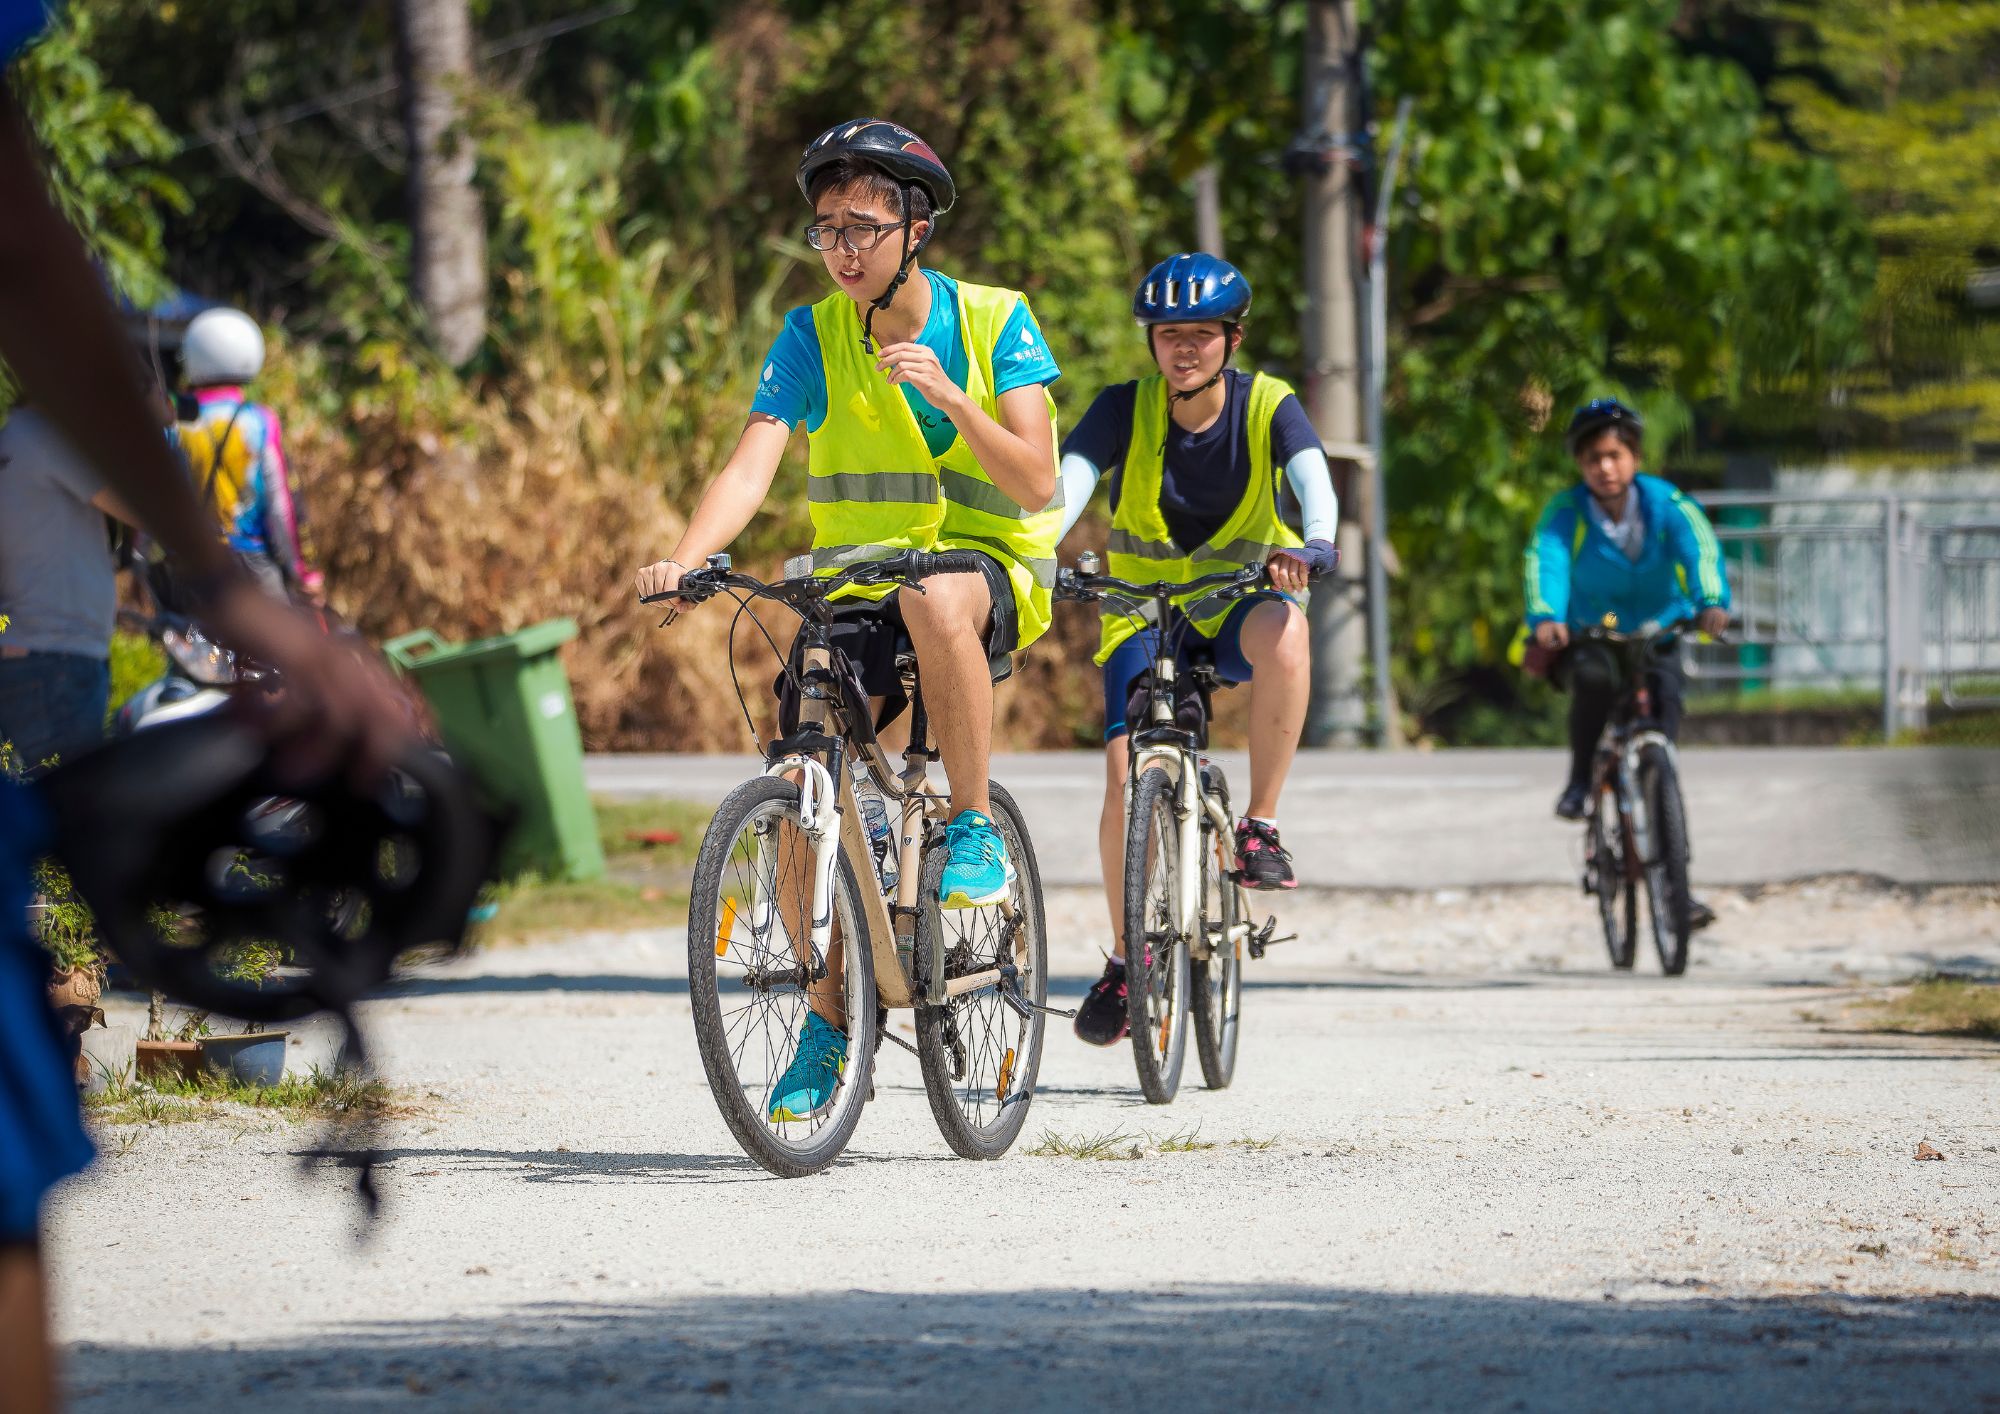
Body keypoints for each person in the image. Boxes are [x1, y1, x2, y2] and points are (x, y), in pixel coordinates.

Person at [0, 15, 415, 1406]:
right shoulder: (229, 427)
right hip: (106, 638)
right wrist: (259, 603)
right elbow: (22, 240)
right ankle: (92, 981)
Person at [634, 119, 1062, 1118]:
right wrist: (689, 556)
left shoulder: (997, 320)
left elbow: (1037, 478)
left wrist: (952, 397)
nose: (839, 248)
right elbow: (756, 453)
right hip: (856, 586)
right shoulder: (811, 334)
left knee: (930, 593)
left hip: (981, 572)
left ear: (916, 227)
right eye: (824, 228)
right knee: (799, 785)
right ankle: (832, 1022)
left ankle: (969, 827)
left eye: (860, 227)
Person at [1057, 253, 1339, 1047]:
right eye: (1169, 334)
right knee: (1123, 785)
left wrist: (1314, 544)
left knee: (1290, 631)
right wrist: (1032, 551)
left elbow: (1315, 481)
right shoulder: (1123, 409)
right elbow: (1065, 489)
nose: (1185, 349)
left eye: (1202, 335)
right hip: (1142, 616)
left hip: (1238, 606)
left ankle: (1260, 825)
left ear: (1232, 339)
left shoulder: (1269, 407)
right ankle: (1124, 958)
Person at [1524, 397, 1731, 822]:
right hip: (1599, 627)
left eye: (1615, 455)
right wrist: (1547, 616)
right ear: (1580, 465)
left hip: (1660, 626)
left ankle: (1671, 869)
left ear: (1635, 457)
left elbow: (1700, 550)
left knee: (1667, 701)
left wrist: (1710, 602)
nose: (1605, 468)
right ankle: (1580, 780)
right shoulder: (1567, 512)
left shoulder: (1667, 504)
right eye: (1593, 458)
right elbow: (1548, 561)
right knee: (1593, 679)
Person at [0, 372, 155, 772]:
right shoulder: (49, 437)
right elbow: (145, 504)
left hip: (37, 656)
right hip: (59, 665)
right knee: (76, 818)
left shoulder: (17, 435)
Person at [172, 306, 324, 602]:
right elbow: (282, 506)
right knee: (280, 646)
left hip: (191, 567)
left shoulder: (174, 423)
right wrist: (304, 573)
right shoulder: (258, 421)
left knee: (195, 643)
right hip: (250, 562)